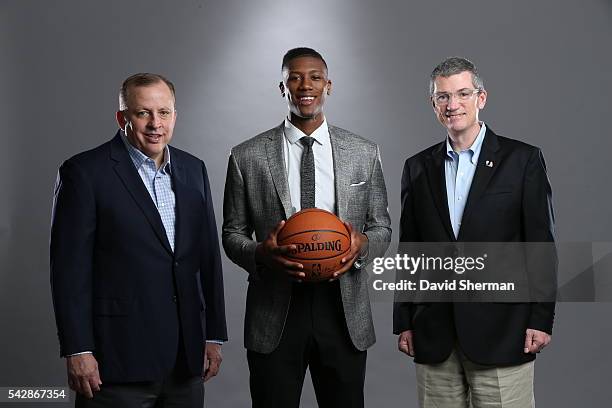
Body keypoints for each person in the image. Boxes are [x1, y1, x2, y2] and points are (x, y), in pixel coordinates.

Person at [222, 47, 391, 408]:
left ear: (328, 85)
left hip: (343, 308)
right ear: (282, 87)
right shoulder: (246, 156)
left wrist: (361, 244)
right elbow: (232, 234)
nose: (305, 85)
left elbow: (382, 228)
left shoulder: (364, 151)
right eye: (294, 77)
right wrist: (261, 254)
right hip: (275, 308)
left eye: (314, 76)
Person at [50, 73, 227, 407]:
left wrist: (213, 335)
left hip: (185, 361)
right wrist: (78, 349)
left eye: (164, 112)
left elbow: (206, 258)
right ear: (122, 118)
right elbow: (68, 272)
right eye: (143, 113)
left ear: (175, 115)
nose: (155, 123)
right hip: (115, 361)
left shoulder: (193, 169)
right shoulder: (84, 173)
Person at [393, 57, 556, 408]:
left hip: (504, 333)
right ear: (433, 104)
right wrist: (403, 320)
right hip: (434, 334)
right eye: (443, 97)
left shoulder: (522, 160)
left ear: (481, 98)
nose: (453, 105)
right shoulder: (417, 167)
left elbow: (541, 246)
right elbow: (410, 252)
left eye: (462, 93)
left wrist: (541, 319)